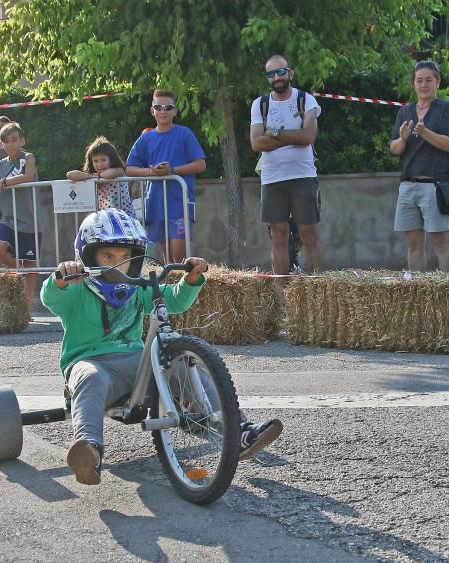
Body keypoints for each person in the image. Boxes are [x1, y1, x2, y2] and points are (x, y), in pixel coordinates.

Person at [41, 208, 283, 485]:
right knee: (90, 377)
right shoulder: (75, 290)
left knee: (180, 362)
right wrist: (61, 277)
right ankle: (89, 451)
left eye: (125, 258)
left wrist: (190, 279)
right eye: (108, 256)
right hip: (91, 363)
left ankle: (237, 430)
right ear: (86, 256)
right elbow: (50, 296)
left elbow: (175, 301)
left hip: (136, 364)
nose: (118, 266)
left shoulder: (137, 287)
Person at [250, 54, 324, 275]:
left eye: (280, 71)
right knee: (278, 236)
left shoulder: (306, 99)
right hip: (272, 178)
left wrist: (273, 133)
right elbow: (256, 143)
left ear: (290, 73)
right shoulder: (260, 104)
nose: (276, 77)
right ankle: (281, 293)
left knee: (308, 233)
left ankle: (317, 290)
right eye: (270, 74)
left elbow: (308, 137)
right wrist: (294, 135)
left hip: (303, 176)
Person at [388, 60, 449, 272]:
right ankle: (418, 292)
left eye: (428, 80)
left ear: (437, 82)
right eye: (419, 80)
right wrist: (402, 138)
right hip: (408, 184)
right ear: (414, 84)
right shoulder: (404, 112)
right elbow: (394, 148)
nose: (424, 85)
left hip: (436, 184)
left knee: (440, 242)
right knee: (413, 244)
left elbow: (448, 144)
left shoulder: (446, 109)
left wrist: (424, 132)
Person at [125, 91, 207, 263]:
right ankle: (170, 289)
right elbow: (130, 168)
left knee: (178, 258)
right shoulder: (145, 138)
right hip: (156, 203)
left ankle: (183, 288)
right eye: (158, 107)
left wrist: (172, 171)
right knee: (168, 259)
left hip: (179, 203)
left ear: (175, 110)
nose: (163, 111)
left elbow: (200, 164)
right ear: (152, 110)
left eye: (167, 107)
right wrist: (151, 172)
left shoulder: (184, 133)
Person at [0, 121, 41, 308]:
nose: (11, 144)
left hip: (30, 220)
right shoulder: (0, 163)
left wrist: (4, 182)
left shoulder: (28, 157)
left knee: (31, 266)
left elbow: (28, 176)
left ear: (22, 140)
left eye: (14, 140)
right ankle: (17, 269)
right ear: (1, 144)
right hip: (8, 219)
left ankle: (26, 309)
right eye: (6, 141)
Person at [67, 136, 134, 216]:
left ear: (112, 160)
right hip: (104, 218)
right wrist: (90, 176)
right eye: (95, 161)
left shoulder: (119, 170)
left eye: (103, 160)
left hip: (124, 217)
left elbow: (110, 174)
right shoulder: (93, 176)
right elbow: (70, 175)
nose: (99, 164)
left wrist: (97, 176)